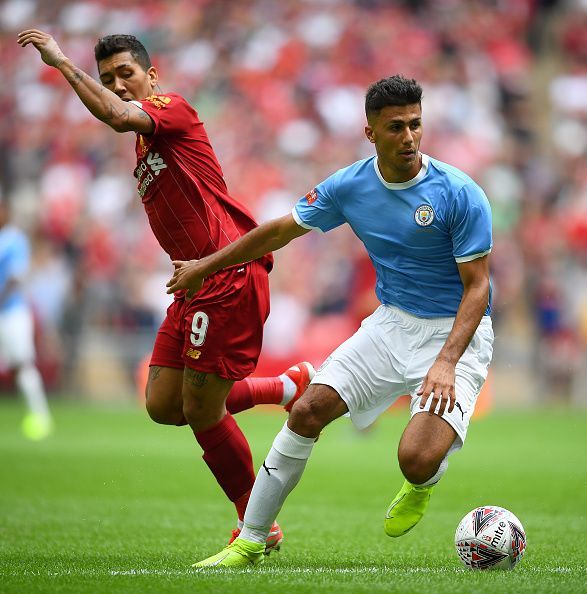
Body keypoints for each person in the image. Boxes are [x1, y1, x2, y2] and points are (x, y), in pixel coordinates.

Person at [165, 75, 494, 568]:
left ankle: (421, 483)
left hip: (455, 334)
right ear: (371, 133)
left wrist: (445, 362)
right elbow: (279, 230)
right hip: (390, 326)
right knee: (307, 411)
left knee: (416, 458)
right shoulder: (350, 185)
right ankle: (251, 539)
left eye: (416, 125)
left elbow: (478, 287)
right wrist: (204, 266)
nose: (408, 137)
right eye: (396, 127)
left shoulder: (460, 194)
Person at [17, 29, 315, 551]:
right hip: (192, 283)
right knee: (162, 404)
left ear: (151, 75)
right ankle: (285, 388)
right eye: (107, 78)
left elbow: (114, 115)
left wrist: (63, 64)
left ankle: (257, 523)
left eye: (124, 74)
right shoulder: (145, 142)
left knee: (202, 410)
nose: (117, 85)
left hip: (224, 275)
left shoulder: (171, 108)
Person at [0, 199, 53, 441]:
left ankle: (40, 416)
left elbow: (15, 278)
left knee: (22, 363)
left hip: (11, 312)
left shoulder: (14, 239)